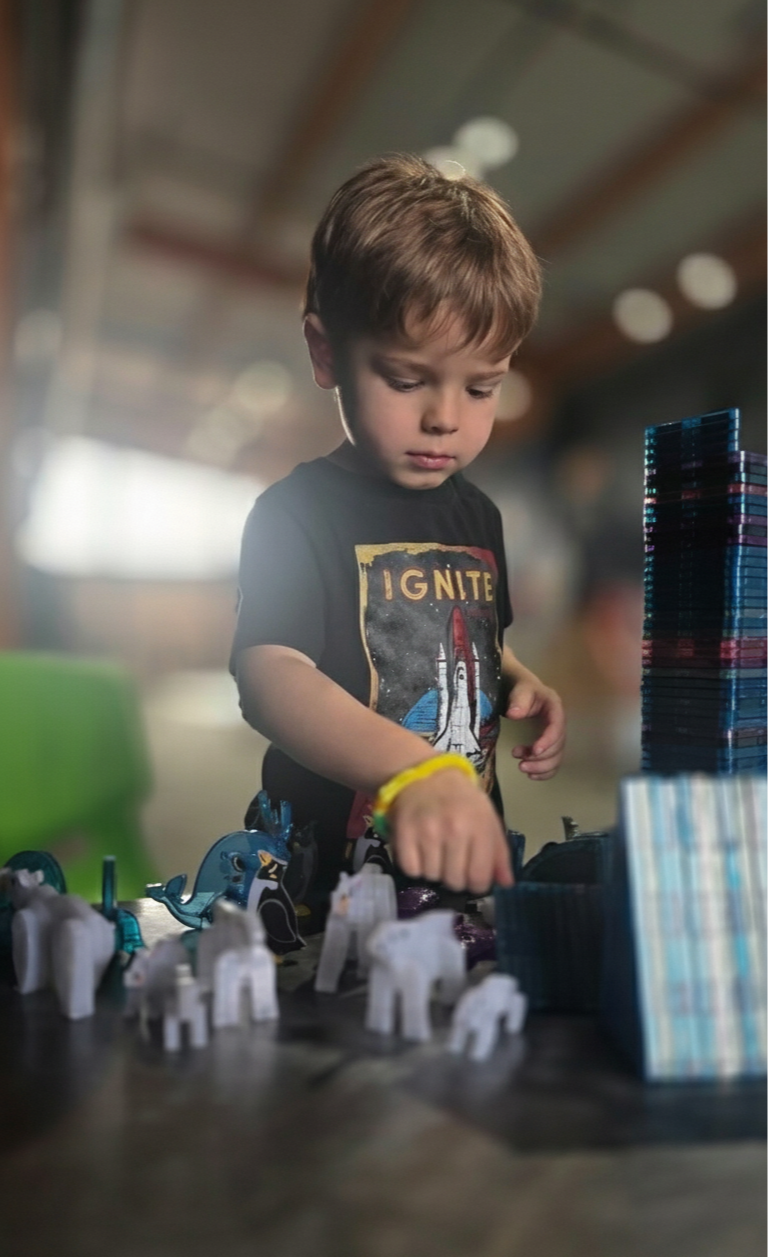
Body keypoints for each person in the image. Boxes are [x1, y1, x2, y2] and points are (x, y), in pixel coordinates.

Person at [231, 154, 565, 912]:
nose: (445, 417)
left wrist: (522, 681)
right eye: (407, 380)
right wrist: (409, 769)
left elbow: (481, 639)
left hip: (455, 865)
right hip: (326, 882)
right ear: (326, 353)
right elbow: (269, 676)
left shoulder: (478, 515)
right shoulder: (294, 514)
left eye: (482, 386)